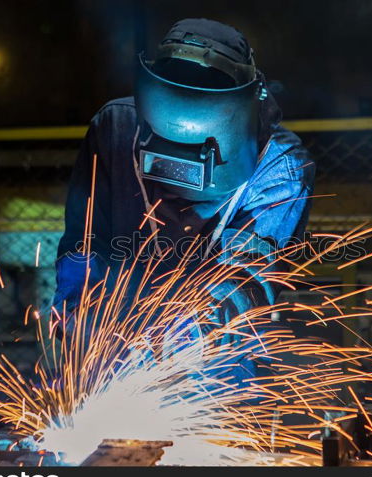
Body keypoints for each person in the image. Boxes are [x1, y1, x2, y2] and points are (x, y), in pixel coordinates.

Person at [53, 18, 315, 378]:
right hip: (115, 351)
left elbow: (250, 270)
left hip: (220, 360)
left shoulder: (280, 165)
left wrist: (195, 327)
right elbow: (84, 242)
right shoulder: (115, 130)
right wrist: (78, 308)